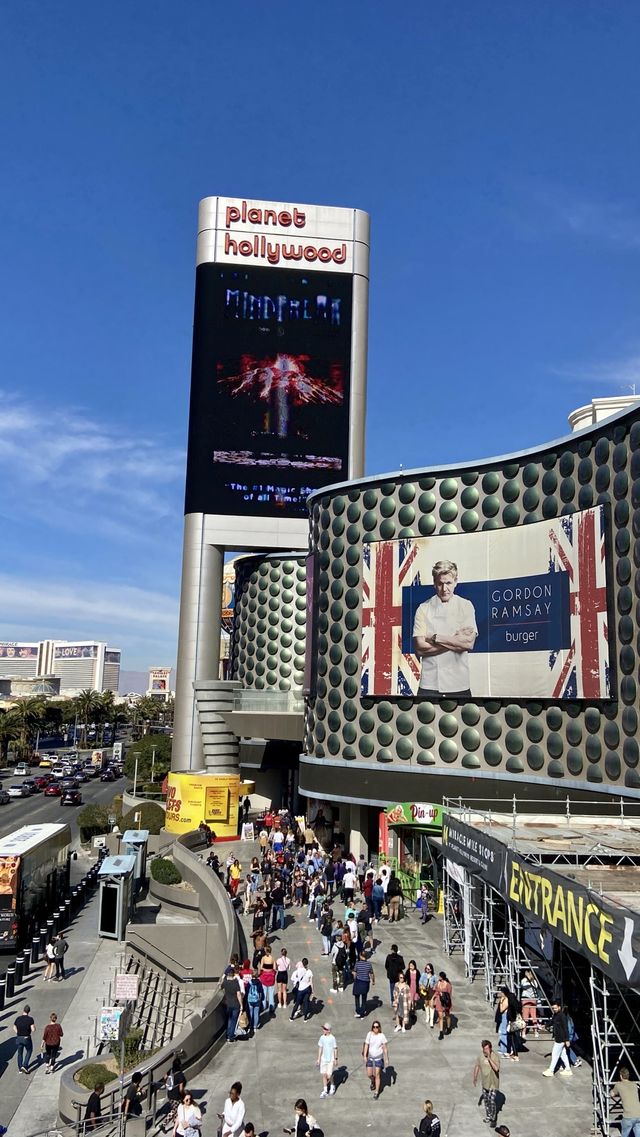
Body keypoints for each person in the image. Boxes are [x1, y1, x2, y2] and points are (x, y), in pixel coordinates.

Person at [413, 559, 478, 697]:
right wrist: (455, 640)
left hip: (459, 683)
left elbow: (468, 643)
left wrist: (435, 637)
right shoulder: (423, 609)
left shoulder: (466, 606)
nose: (444, 589)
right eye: (440, 583)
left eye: (448, 583)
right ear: (434, 583)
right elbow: (419, 648)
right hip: (429, 684)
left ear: (455, 582)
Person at [473, 1039, 500, 1129]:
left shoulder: (495, 1056)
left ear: (491, 1048)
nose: (485, 1051)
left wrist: (489, 1058)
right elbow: (477, 1066)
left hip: (493, 1083)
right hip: (485, 1083)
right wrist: (475, 1077)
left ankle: (493, 1119)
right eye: (484, 1049)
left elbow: (496, 1069)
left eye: (487, 1049)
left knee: (492, 1101)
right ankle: (488, 1115)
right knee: (486, 1101)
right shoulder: (480, 1056)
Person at [542, 999, 572, 1077]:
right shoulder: (556, 1015)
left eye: (555, 1008)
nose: (554, 1009)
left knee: (555, 1054)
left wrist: (567, 1039)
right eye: (553, 1008)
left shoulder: (562, 1016)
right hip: (559, 1038)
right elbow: (552, 1021)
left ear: (559, 1007)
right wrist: (545, 1026)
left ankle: (551, 1070)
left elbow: (565, 1028)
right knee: (563, 1054)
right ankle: (568, 1069)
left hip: (560, 1038)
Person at [362, 1019, 389, 1100]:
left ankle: (376, 1092)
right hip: (370, 1058)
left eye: (377, 1027)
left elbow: (385, 1048)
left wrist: (386, 1058)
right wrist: (364, 1056)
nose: (375, 1028)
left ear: (379, 1028)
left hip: (378, 1059)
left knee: (377, 1075)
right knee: (369, 1074)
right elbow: (366, 1045)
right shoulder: (369, 1034)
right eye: (374, 1027)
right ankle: (373, 1081)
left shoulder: (382, 1036)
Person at [612, 1067, 640, 1137]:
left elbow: (612, 1094)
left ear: (621, 1076)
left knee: (625, 1134)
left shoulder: (618, 1085)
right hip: (639, 1114)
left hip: (628, 1116)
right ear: (628, 1076)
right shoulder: (634, 1084)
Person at [221, 964, 244, 1042]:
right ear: (233, 974)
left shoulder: (225, 983)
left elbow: (221, 987)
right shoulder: (235, 982)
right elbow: (238, 994)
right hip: (235, 1004)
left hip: (228, 1004)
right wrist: (241, 1005)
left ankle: (228, 1034)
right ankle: (231, 1036)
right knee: (234, 1020)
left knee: (229, 1020)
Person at [317, 1022, 338, 1097]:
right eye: (323, 1028)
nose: (323, 1030)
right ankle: (325, 1090)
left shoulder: (332, 1038)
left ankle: (332, 1086)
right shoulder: (322, 1037)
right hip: (323, 1059)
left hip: (331, 1060)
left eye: (325, 1029)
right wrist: (318, 1059)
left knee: (329, 1076)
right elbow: (320, 1048)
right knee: (324, 1075)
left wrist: (336, 1059)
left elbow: (335, 1049)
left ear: (329, 1030)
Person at [353, 949, 375, 1018]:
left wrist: (354, 977)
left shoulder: (358, 963)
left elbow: (354, 972)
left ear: (361, 956)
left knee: (357, 996)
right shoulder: (369, 964)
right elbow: (371, 973)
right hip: (366, 983)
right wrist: (373, 981)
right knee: (364, 997)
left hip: (358, 981)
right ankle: (363, 1011)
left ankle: (358, 1010)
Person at [13, 1003, 35, 1073]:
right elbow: (33, 1029)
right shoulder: (30, 1019)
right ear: (29, 1011)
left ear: (23, 1010)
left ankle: (20, 1068)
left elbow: (14, 1027)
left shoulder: (18, 1018)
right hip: (26, 1038)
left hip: (19, 1038)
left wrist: (18, 1032)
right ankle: (25, 1065)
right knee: (29, 1050)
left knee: (20, 1053)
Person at [433, 971, 453, 1040]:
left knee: (447, 1016)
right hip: (439, 1001)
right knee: (440, 1017)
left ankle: (448, 1027)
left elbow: (449, 995)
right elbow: (435, 990)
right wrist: (434, 998)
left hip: (446, 1002)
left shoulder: (448, 985)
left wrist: (443, 995)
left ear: (443, 977)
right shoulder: (438, 983)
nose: (439, 978)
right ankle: (441, 1032)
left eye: (440, 977)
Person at [259, 945, 277, 1014]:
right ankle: (271, 1006)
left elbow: (261, 968)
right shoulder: (272, 958)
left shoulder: (263, 958)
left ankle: (263, 1006)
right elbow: (274, 968)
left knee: (264, 993)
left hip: (264, 977)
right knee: (271, 993)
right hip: (271, 978)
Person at [520, 969, 539, 1036]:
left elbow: (536, 986)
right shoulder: (524, 980)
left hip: (532, 998)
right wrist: (528, 980)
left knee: (533, 1015)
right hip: (525, 999)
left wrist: (531, 980)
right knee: (525, 1016)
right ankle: (523, 1031)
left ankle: (535, 1031)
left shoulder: (534, 981)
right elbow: (523, 986)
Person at [419, 962, 437, 1027]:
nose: (427, 970)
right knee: (426, 1004)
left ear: (431, 969)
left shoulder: (434, 976)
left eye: (428, 969)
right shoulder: (423, 974)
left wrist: (435, 986)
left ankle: (431, 1021)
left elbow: (436, 983)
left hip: (431, 991)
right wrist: (422, 985)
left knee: (431, 1005)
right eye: (426, 968)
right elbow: (420, 981)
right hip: (425, 991)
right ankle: (427, 1016)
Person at [246, 970, 264, 1035]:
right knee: (256, 1013)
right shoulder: (259, 983)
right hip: (257, 1000)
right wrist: (261, 999)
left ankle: (250, 1026)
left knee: (250, 1013)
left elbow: (247, 991)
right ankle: (255, 1027)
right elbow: (261, 992)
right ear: (257, 975)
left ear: (251, 975)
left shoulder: (249, 982)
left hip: (250, 1000)